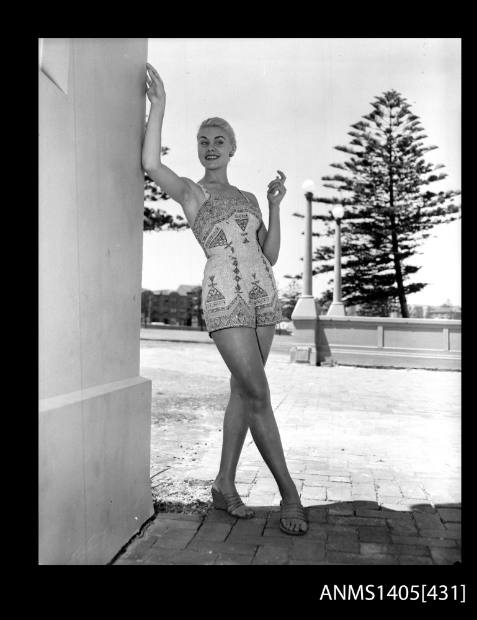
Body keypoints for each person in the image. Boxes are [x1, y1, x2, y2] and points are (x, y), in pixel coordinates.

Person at [142, 63, 308, 536]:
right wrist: (161, 105)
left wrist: (275, 208)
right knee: (259, 392)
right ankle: (290, 494)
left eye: (218, 140)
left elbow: (270, 255)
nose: (210, 147)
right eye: (203, 140)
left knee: (242, 390)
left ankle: (224, 485)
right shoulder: (192, 193)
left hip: (263, 299)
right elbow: (152, 164)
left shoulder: (252, 198)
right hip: (224, 297)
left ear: (233, 148)